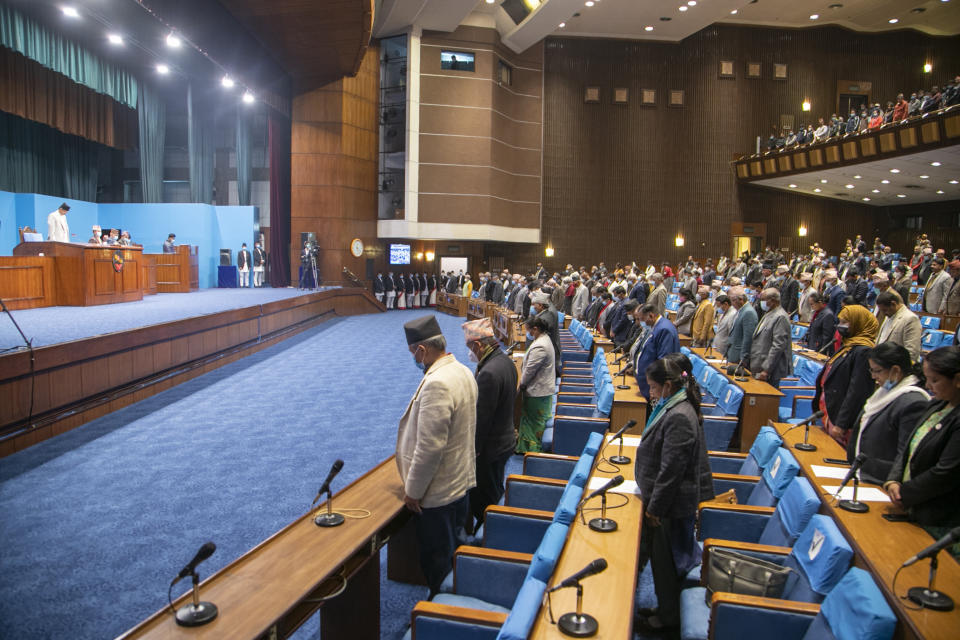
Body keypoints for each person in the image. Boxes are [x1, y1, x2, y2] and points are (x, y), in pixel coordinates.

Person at [396, 315, 477, 596]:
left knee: (437, 561)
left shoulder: (437, 383)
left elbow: (430, 447)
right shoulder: (463, 370)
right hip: (460, 482)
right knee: (454, 549)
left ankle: (442, 611)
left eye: (412, 354)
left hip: (438, 493)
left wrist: (413, 491)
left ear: (422, 350)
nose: (414, 359)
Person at [634, 354, 714, 633]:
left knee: (666, 562)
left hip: (670, 505)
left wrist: (655, 507)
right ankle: (665, 608)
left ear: (668, 386)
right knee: (660, 559)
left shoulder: (679, 415)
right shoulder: (673, 405)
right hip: (665, 500)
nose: (651, 393)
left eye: (653, 388)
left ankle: (668, 619)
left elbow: (671, 470)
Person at [884, 346, 960, 548]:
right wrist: (893, 480)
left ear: (958, 379)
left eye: (935, 380)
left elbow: (946, 472)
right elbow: (909, 446)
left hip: (939, 518)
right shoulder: (937, 404)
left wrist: (905, 494)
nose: (928, 385)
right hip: (910, 503)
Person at [462, 318, 516, 534]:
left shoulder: (489, 373)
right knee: (495, 489)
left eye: (470, 348)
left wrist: (471, 453)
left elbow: (481, 421)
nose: (470, 353)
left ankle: (492, 537)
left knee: (485, 499)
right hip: (504, 441)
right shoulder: (504, 361)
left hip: (490, 449)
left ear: (478, 345)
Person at [848, 343, 930, 484]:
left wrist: (892, 483)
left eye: (877, 371)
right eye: (871, 371)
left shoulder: (914, 402)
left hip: (882, 482)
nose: (873, 376)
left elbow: (905, 453)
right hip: (865, 474)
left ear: (895, 370)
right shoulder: (885, 392)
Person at [814, 305, 878, 445]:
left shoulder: (863, 351)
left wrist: (842, 423)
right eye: (840, 321)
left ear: (857, 323)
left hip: (841, 420)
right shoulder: (849, 345)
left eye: (845, 322)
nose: (840, 326)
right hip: (830, 410)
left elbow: (857, 392)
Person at [517, 315, 556, 453]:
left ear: (536, 328)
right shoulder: (544, 339)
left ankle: (532, 450)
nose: (528, 333)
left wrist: (521, 384)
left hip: (538, 390)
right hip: (541, 388)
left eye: (529, 330)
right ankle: (526, 447)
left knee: (534, 422)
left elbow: (530, 370)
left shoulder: (540, 346)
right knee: (533, 420)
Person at [626, 303, 680, 399]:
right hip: (647, 385)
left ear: (651, 316)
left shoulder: (664, 329)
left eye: (642, 319)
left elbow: (663, 362)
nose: (640, 323)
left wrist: (655, 388)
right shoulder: (656, 327)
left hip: (655, 388)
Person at [749, 288, 792, 387]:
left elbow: (778, 346)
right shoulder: (769, 313)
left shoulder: (780, 317)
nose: (761, 302)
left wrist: (766, 369)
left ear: (773, 301)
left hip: (770, 370)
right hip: (759, 364)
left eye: (763, 299)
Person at [876, 291, 923, 363]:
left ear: (893, 304)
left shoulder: (910, 318)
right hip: (884, 364)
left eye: (884, 310)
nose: (883, 313)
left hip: (898, 366)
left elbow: (912, 351)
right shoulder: (889, 315)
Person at [725, 286, 757, 368]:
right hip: (733, 352)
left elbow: (748, 338)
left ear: (741, 300)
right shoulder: (741, 310)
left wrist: (743, 358)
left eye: (732, 301)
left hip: (739, 356)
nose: (731, 304)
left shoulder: (748, 312)